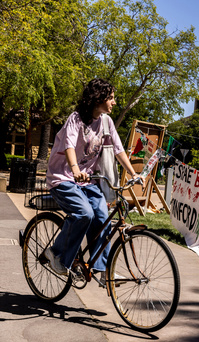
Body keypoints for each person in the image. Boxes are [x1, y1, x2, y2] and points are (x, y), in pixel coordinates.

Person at [45, 78, 140, 281]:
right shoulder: (76, 119)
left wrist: (133, 173)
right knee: (84, 214)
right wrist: (76, 169)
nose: (114, 102)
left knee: (102, 218)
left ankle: (101, 269)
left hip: (88, 181)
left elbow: (118, 150)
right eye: (111, 98)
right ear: (99, 98)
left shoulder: (106, 121)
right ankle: (56, 253)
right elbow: (69, 145)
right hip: (63, 178)